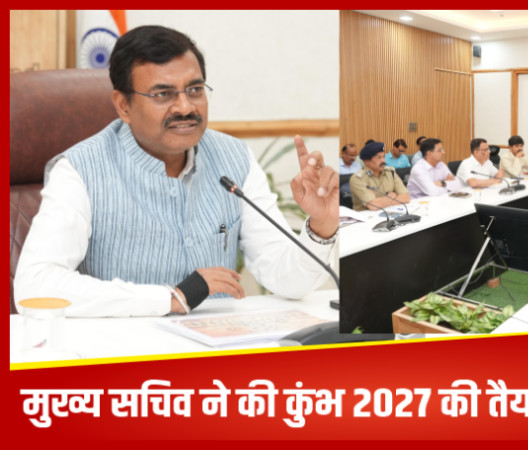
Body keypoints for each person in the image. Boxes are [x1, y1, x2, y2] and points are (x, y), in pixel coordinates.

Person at [14, 25, 339, 317]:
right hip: (119, 350)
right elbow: (35, 286)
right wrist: (172, 297)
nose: (185, 107)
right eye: (162, 94)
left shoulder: (234, 157)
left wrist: (322, 226)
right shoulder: (79, 170)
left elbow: (286, 278)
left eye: (194, 90)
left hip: (215, 348)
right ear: (124, 106)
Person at [349, 141, 410, 211]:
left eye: (383, 157)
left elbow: (406, 197)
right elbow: (373, 205)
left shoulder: (390, 172)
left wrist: (382, 202)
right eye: (379, 157)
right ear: (367, 161)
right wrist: (391, 196)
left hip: (390, 212)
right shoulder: (358, 179)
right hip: (366, 216)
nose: (383, 161)